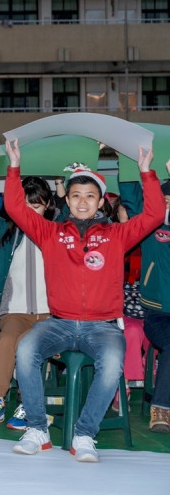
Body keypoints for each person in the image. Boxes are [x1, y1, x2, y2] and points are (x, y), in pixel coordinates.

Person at [4, 138, 164, 462]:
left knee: (110, 368)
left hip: (103, 327)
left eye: (90, 196)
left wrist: (146, 172)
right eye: (76, 195)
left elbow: (155, 215)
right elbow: (15, 207)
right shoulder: (50, 232)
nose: (82, 201)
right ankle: (37, 429)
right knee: (24, 350)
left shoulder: (116, 235)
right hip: (59, 322)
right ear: (68, 198)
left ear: (100, 201)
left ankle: (85, 434)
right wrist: (13, 166)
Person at [0, 176, 55, 429]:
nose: (31, 211)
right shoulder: (8, 232)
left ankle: (28, 403)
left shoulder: (57, 231)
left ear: (48, 205)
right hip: (15, 311)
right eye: (26, 205)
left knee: (27, 346)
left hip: (50, 313)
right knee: (7, 340)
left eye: (37, 205)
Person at [119, 163, 170, 433]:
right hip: (158, 314)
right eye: (166, 200)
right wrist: (125, 160)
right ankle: (161, 408)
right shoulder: (151, 229)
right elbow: (131, 197)